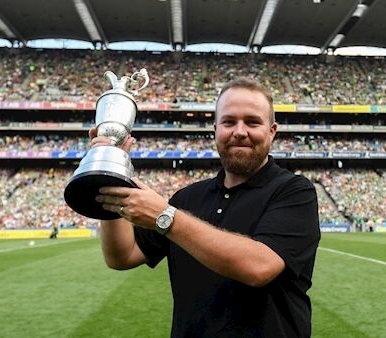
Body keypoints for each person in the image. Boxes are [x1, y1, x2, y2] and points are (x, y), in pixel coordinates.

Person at [93, 78, 320, 337]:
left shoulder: (294, 192)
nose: (240, 131)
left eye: (252, 122)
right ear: (215, 130)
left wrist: (165, 217)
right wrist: (111, 171)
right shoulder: (186, 199)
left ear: (272, 131)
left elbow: (259, 267)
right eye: (229, 122)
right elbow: (121, 256)